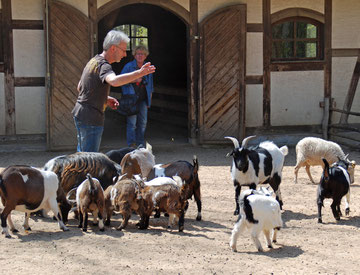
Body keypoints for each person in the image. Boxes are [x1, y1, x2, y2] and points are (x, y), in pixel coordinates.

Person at [72, 30, 156, 152]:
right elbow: (115, 81)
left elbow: (80, 87)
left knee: (83, 158)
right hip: (90, 118)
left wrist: (105, 98)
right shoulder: (104, 66)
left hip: (82, 115)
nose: (125, 54)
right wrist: (139, 73)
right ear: (113, 48)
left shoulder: (94, 61)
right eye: (123, 50)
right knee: (89, 161)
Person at [121, 45, 154, 148]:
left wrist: (149, 101)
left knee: (143, 122)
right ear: (134, 55)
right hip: (131, 100)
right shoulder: (128, 67)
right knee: (132, 123)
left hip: (143, 100)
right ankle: (131, 146)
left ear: (145, 56)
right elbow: (120, 81)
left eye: (142, 54)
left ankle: (140, 145)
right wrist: (135, 80)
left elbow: (151, 86)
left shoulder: (148, 68)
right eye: (138, 54)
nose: (140, 56)